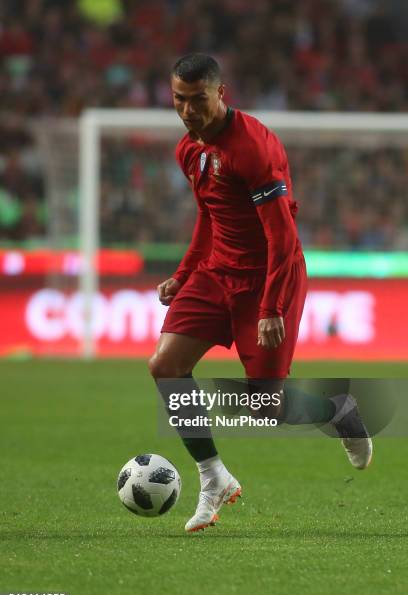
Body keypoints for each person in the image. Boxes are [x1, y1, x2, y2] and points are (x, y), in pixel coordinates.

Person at [148, 53, 372, 533]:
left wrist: (271, 307)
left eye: (198, 100)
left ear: (221, 93)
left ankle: (339, 411)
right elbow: (209, 216)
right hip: (215, 273)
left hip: (269, 278)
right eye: (179, 100)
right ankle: (213, 476)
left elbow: (283, 238)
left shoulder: (253, 149)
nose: (187, 110)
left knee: (265, 407)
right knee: (165, 365)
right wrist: (185, 273)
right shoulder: (189, 149)